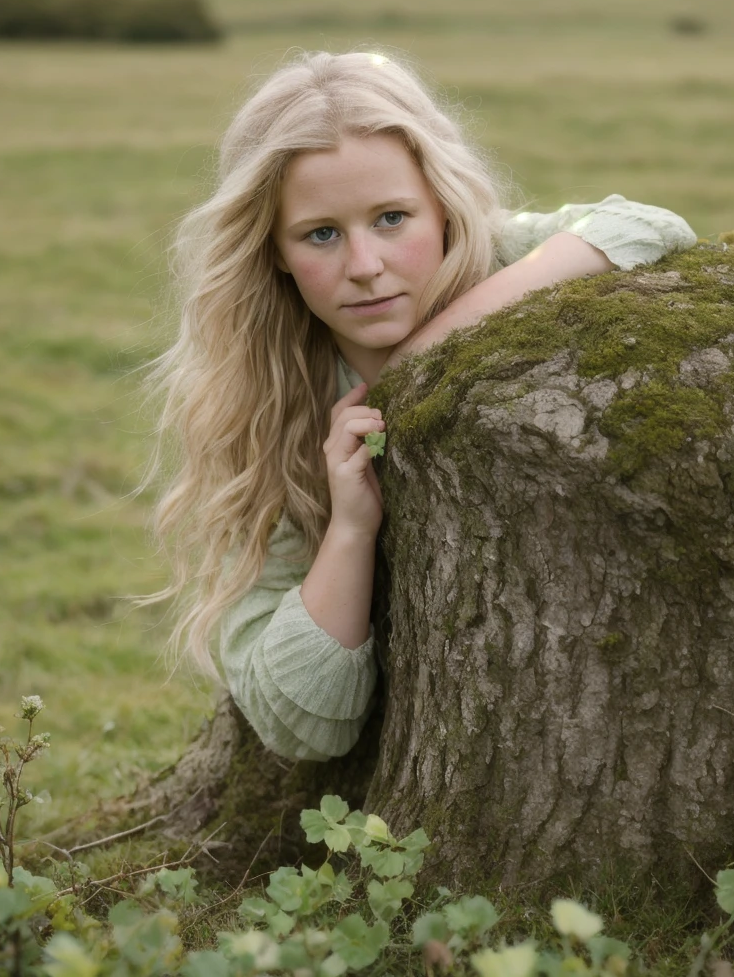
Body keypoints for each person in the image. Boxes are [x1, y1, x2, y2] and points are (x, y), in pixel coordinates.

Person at [148, 51, 696, 762]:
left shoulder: (502, 259)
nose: (366, 265)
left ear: (441, 206)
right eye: (321, 233)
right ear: (274, 250)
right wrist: (350, 527)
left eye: (392, 218)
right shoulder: (268, 401)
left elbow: (648, 226)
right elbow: (303, 726)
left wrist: (421, 359)